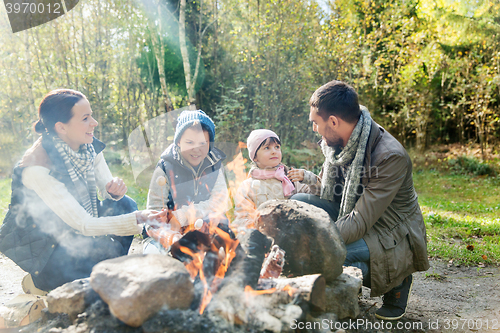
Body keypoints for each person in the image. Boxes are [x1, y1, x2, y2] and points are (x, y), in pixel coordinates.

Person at [291, 80, 429, 321]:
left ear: (333, 121)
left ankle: (397, 280)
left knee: (329, 255)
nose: (314, 129)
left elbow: (359, 221)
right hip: (351, 211)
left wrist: (313, 243)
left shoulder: (389, 156)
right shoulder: (339, 144)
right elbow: (326, 188)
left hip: (387, 231)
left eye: (315, 122)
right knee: (298, 203)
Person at [0, 89, 160, 294]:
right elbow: (84, 224)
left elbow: (106, 190)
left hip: (74, 232)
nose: (94, 123)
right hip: (48, 251)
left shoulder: (88, 147)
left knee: (125, 204)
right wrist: (139, 218)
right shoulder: (37, 168)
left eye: (91, 115)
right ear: (61, 127)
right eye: (85, 118)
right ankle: (40, 284)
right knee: (91, 277)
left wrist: (114, 192)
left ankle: (106, 269)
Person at [145, 110, 229, 252]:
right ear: (178, 141)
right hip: (169, 232)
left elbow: (220, 203)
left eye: (203, 143)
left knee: (226, 256)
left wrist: (182, 216)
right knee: (153, 256)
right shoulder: (165, 167)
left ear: (210, 144)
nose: (196, 149)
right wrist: (172, 237)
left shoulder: (215, 165)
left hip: (205, 230)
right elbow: (153, 213)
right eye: (189, 142)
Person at [232, 129, 319, 230]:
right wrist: (263, 222)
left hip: (294, 234)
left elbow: (318, 197)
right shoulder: (247, 186)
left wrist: (308, 178)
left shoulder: (291, 178)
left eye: (277, 147)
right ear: (255, 157)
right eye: (267, 148)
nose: (274, 151)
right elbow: (242, 220)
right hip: (264, 236)